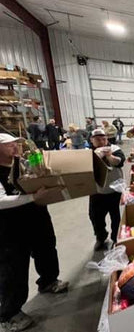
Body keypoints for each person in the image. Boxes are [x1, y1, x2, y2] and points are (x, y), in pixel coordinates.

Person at [0, 133, 69, 332]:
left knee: (47, 249)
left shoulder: (23, 164)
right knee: (13, 267)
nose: (15, 147)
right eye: (9, 145)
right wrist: (32, 197)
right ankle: (9, 314)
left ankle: (48, 280)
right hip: (11, 227)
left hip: (37, 218)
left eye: (16, 144)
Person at [88, 129, 126, 250]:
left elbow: (119, 162)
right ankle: (101, 237)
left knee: (115, 217)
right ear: (92, 140)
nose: (101, 141)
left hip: (114, 191)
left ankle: (116, 238)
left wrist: (109, 155)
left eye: (103, 139)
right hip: (96, 191)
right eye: (97, 139)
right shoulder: (87, 152)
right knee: (95, 217)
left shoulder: (114, 149)